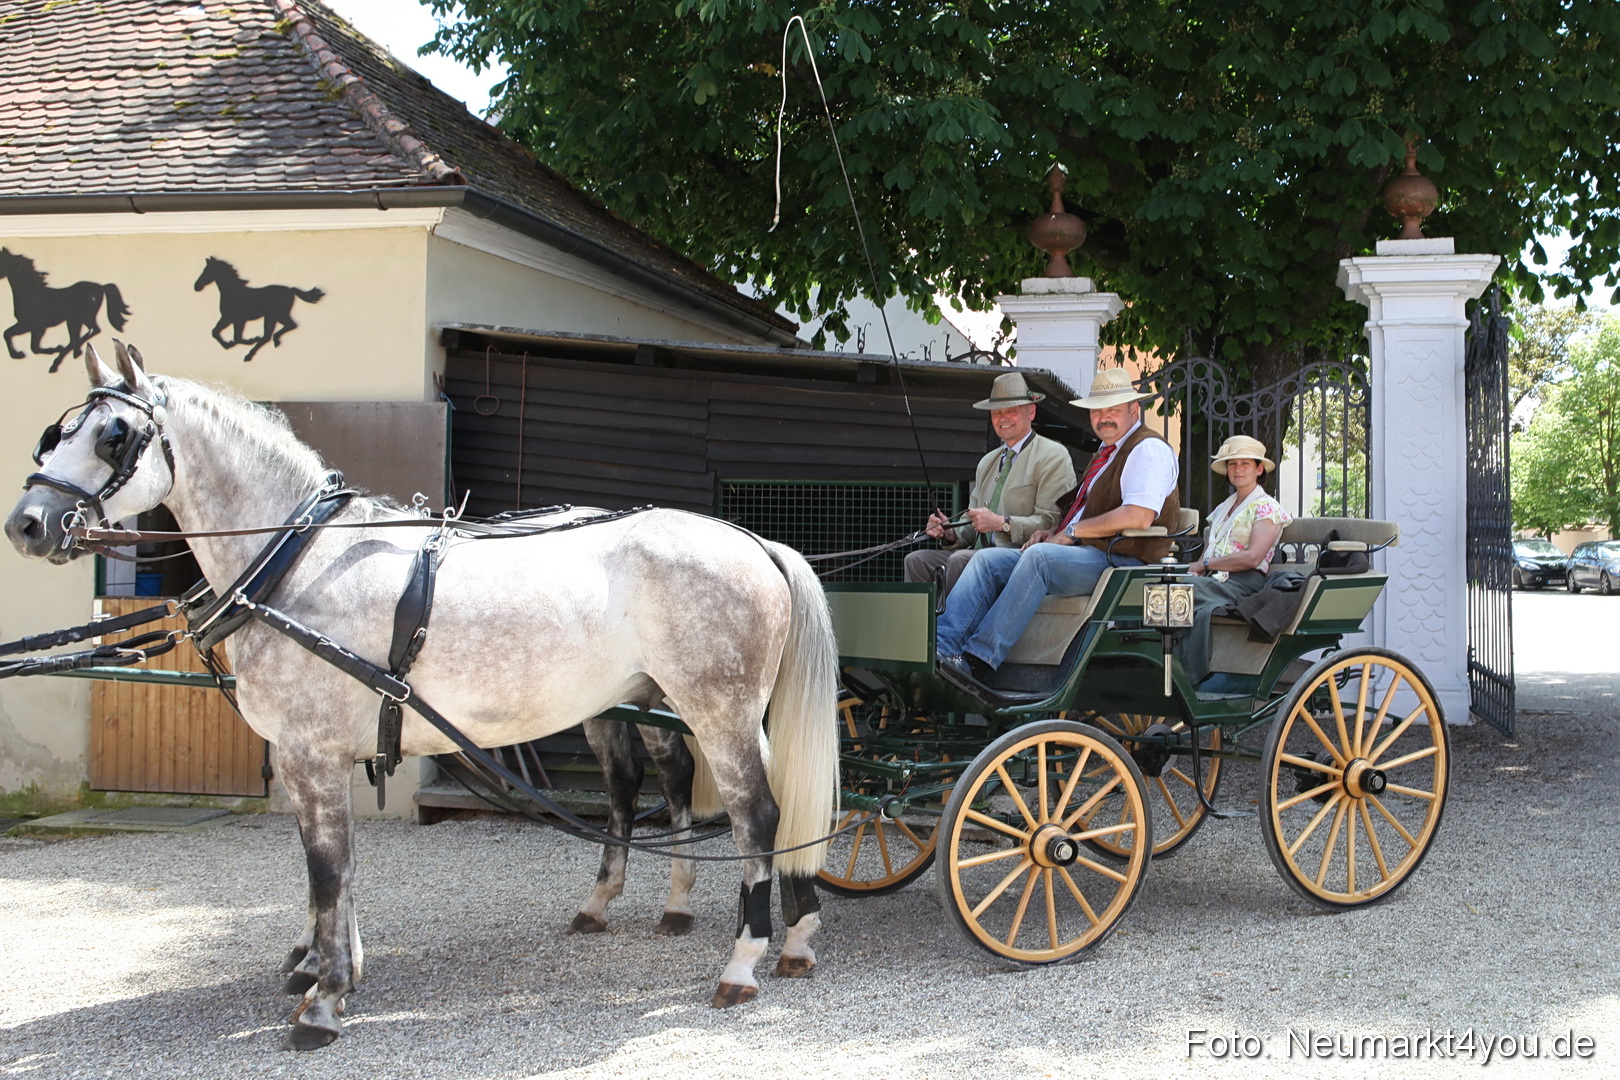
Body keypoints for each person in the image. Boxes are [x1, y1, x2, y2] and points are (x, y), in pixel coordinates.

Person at [936, 367, 1180, 690]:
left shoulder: (1147, 449)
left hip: (1124, 563)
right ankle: (943, 650)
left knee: (1040, 559)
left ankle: (979, 659)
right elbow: (1083, 515)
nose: (1104, 417)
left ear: (1134, 410)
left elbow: (1138, 516)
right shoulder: (1107, 454)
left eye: (1113, 410)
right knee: (986, 561)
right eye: (1098, 410)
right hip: (1092, 554)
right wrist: (1054, 535)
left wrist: (1071, 534)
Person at [904, 371, 1076, 600]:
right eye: (997, 413)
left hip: (1021, 555)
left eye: (1011, 411)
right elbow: (971, 524)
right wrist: (950, 531)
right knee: (916, 561)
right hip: (977, 553)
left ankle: (947, 631)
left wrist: (1002, 524)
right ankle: (920, 631)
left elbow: (1052, 522)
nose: (1003, 418)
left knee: (960, 560)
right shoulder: (987, 462)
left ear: (1031, 412)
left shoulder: (1052, 455)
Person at [1180, 435, 1293, 688]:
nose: (1238, 469)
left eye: (1245, 464)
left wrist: (1205, 567)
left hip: (1243, 582)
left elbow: (1253, 557)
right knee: (1157, 588)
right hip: (1213, 580)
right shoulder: (1223, 508)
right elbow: (1207, 553)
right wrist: (1197, 570)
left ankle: (1189, 674)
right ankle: (1161, 660)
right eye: (1232, 464)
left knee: (1175, 594)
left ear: (1259, 469)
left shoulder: (1267, 507)